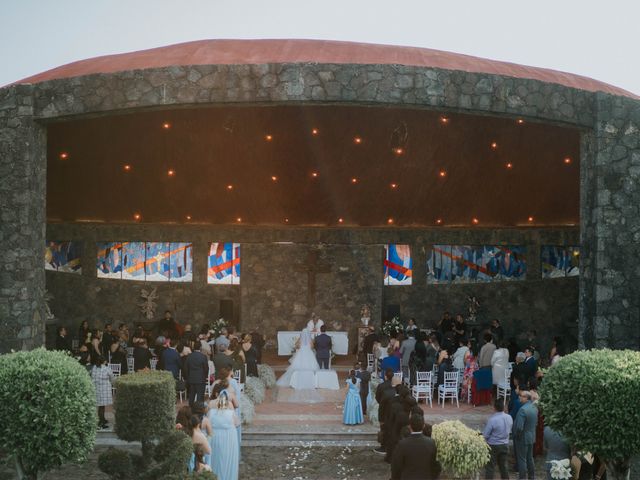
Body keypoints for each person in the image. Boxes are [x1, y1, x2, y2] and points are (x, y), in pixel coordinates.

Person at [391, 414, 441, 480]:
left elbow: (396, 466)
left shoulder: (402, 444)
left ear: (410, 426)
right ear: (423, 426)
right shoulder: (431, 443)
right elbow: (435, 465)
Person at [208, 384, 239, 480]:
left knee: (215, 459)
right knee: (227, 459)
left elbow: (208, 425)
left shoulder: (211, 411)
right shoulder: (230, 412)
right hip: (229, 439)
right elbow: (237, 424)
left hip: (215, 438)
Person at [483, 398, 513, 479]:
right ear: (504, 407)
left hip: (493, 446)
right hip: (505, 444)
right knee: (503, 466)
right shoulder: (509, 417)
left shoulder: (492, 420)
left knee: (490, 467)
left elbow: (485, 435)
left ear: (494, 408)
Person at [513, 390, 538, 480]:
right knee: (530, 458)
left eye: (521, 396)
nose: (519, 397)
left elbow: (519, 427)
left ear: (526, 398)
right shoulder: (534, 408)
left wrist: (516, 436)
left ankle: (522, 478)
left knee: (522, 459)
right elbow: (535, 423)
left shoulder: (523, 410)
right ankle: (532, 476)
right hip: (531, 436)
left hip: (522, 437)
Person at [90, 354, 114, 429]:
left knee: (101, 406)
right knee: (102, 406)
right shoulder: (107, 369)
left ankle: (103, 419)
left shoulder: (94, 368)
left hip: (96, 388)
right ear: (104, 361)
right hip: (104, 389)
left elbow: (92, 377)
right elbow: (112, 379)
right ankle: (101, 422)